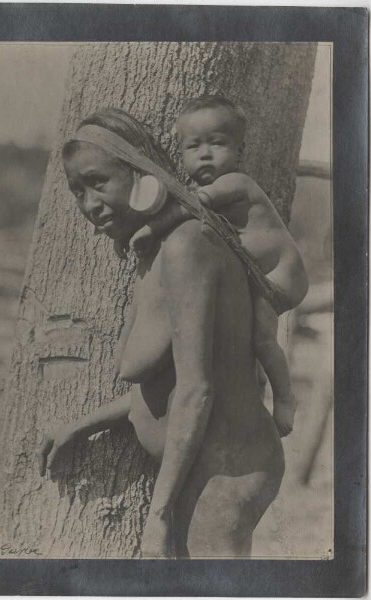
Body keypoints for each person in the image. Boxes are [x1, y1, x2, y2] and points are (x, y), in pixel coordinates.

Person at [38, 107, 285, 559]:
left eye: (99, 182)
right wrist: (79, 426)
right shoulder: (162, 254)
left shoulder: (187, 247)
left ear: (139, 175)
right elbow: (165, 386)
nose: (89, 204)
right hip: (209, 471)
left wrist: (158, 516)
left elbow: (197, 391)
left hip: (227, 474)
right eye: (78, 190)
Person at [129, 96, 308, 437]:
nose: (205, 153)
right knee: (242, 334)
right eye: (193, 146)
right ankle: (257, 384)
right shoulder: (207, 188)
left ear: (239, 152)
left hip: (281, 276)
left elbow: (194, 206)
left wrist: (151, 228)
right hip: (258, 276)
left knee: (263, 339)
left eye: (217, 143)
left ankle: (286, 398)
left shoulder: (235, 184)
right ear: (181, 155)